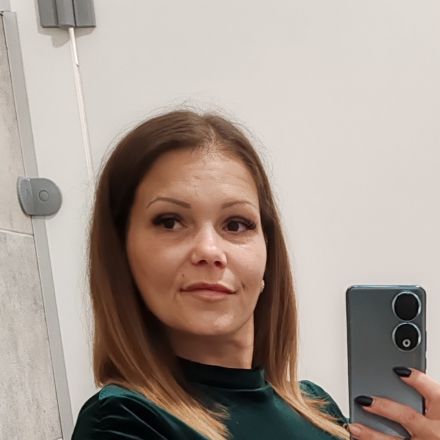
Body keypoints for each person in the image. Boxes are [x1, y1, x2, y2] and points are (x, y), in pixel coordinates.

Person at [72, 110, 440, 440]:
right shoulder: (122, 420)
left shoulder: (317, 408)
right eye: (169, 222)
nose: (210, 251)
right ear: (122, 255)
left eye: (235, 224)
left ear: (268, 256)